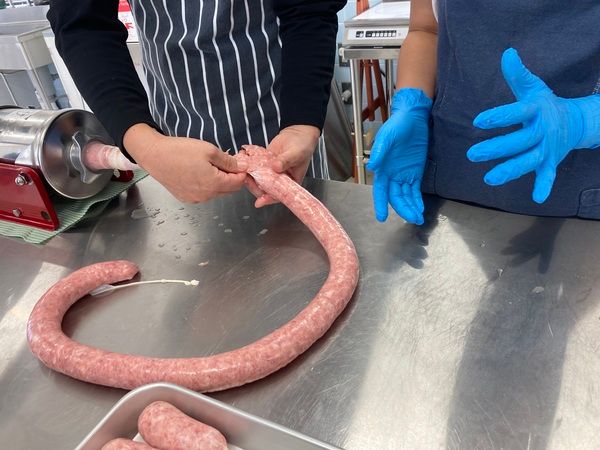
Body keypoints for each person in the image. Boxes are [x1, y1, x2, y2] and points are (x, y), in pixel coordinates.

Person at [48, 0, 345, 206]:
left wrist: (300, 127)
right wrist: (146, 146)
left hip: (284, 122)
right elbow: (82, 23)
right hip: (172, 130)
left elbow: (309, 10)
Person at [367, 0, 600, 224]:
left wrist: (582, 120)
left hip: (574, 193)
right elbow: (425, 30)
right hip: (451, 173)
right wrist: (412, 104)